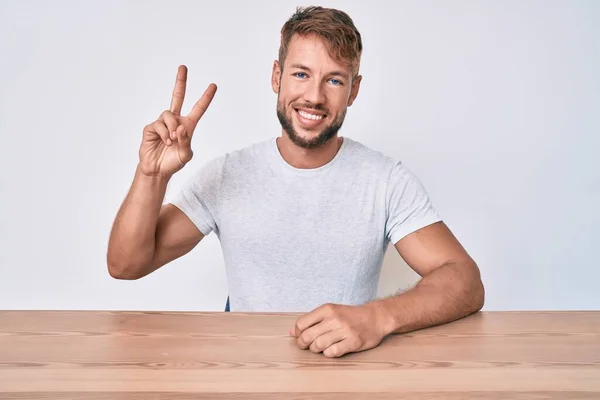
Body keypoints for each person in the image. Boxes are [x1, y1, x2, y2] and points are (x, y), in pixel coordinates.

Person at [107, 6, 485, 358]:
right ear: (277, 77)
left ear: (353, 90)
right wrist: (151, 175)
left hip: (344, 373)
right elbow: (126, 265)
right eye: (301, 74)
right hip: (247, 374)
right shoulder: (227, 175)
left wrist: (378, 317)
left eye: (334, 80)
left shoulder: (384, 181)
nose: (314, 96)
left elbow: (464, 280)